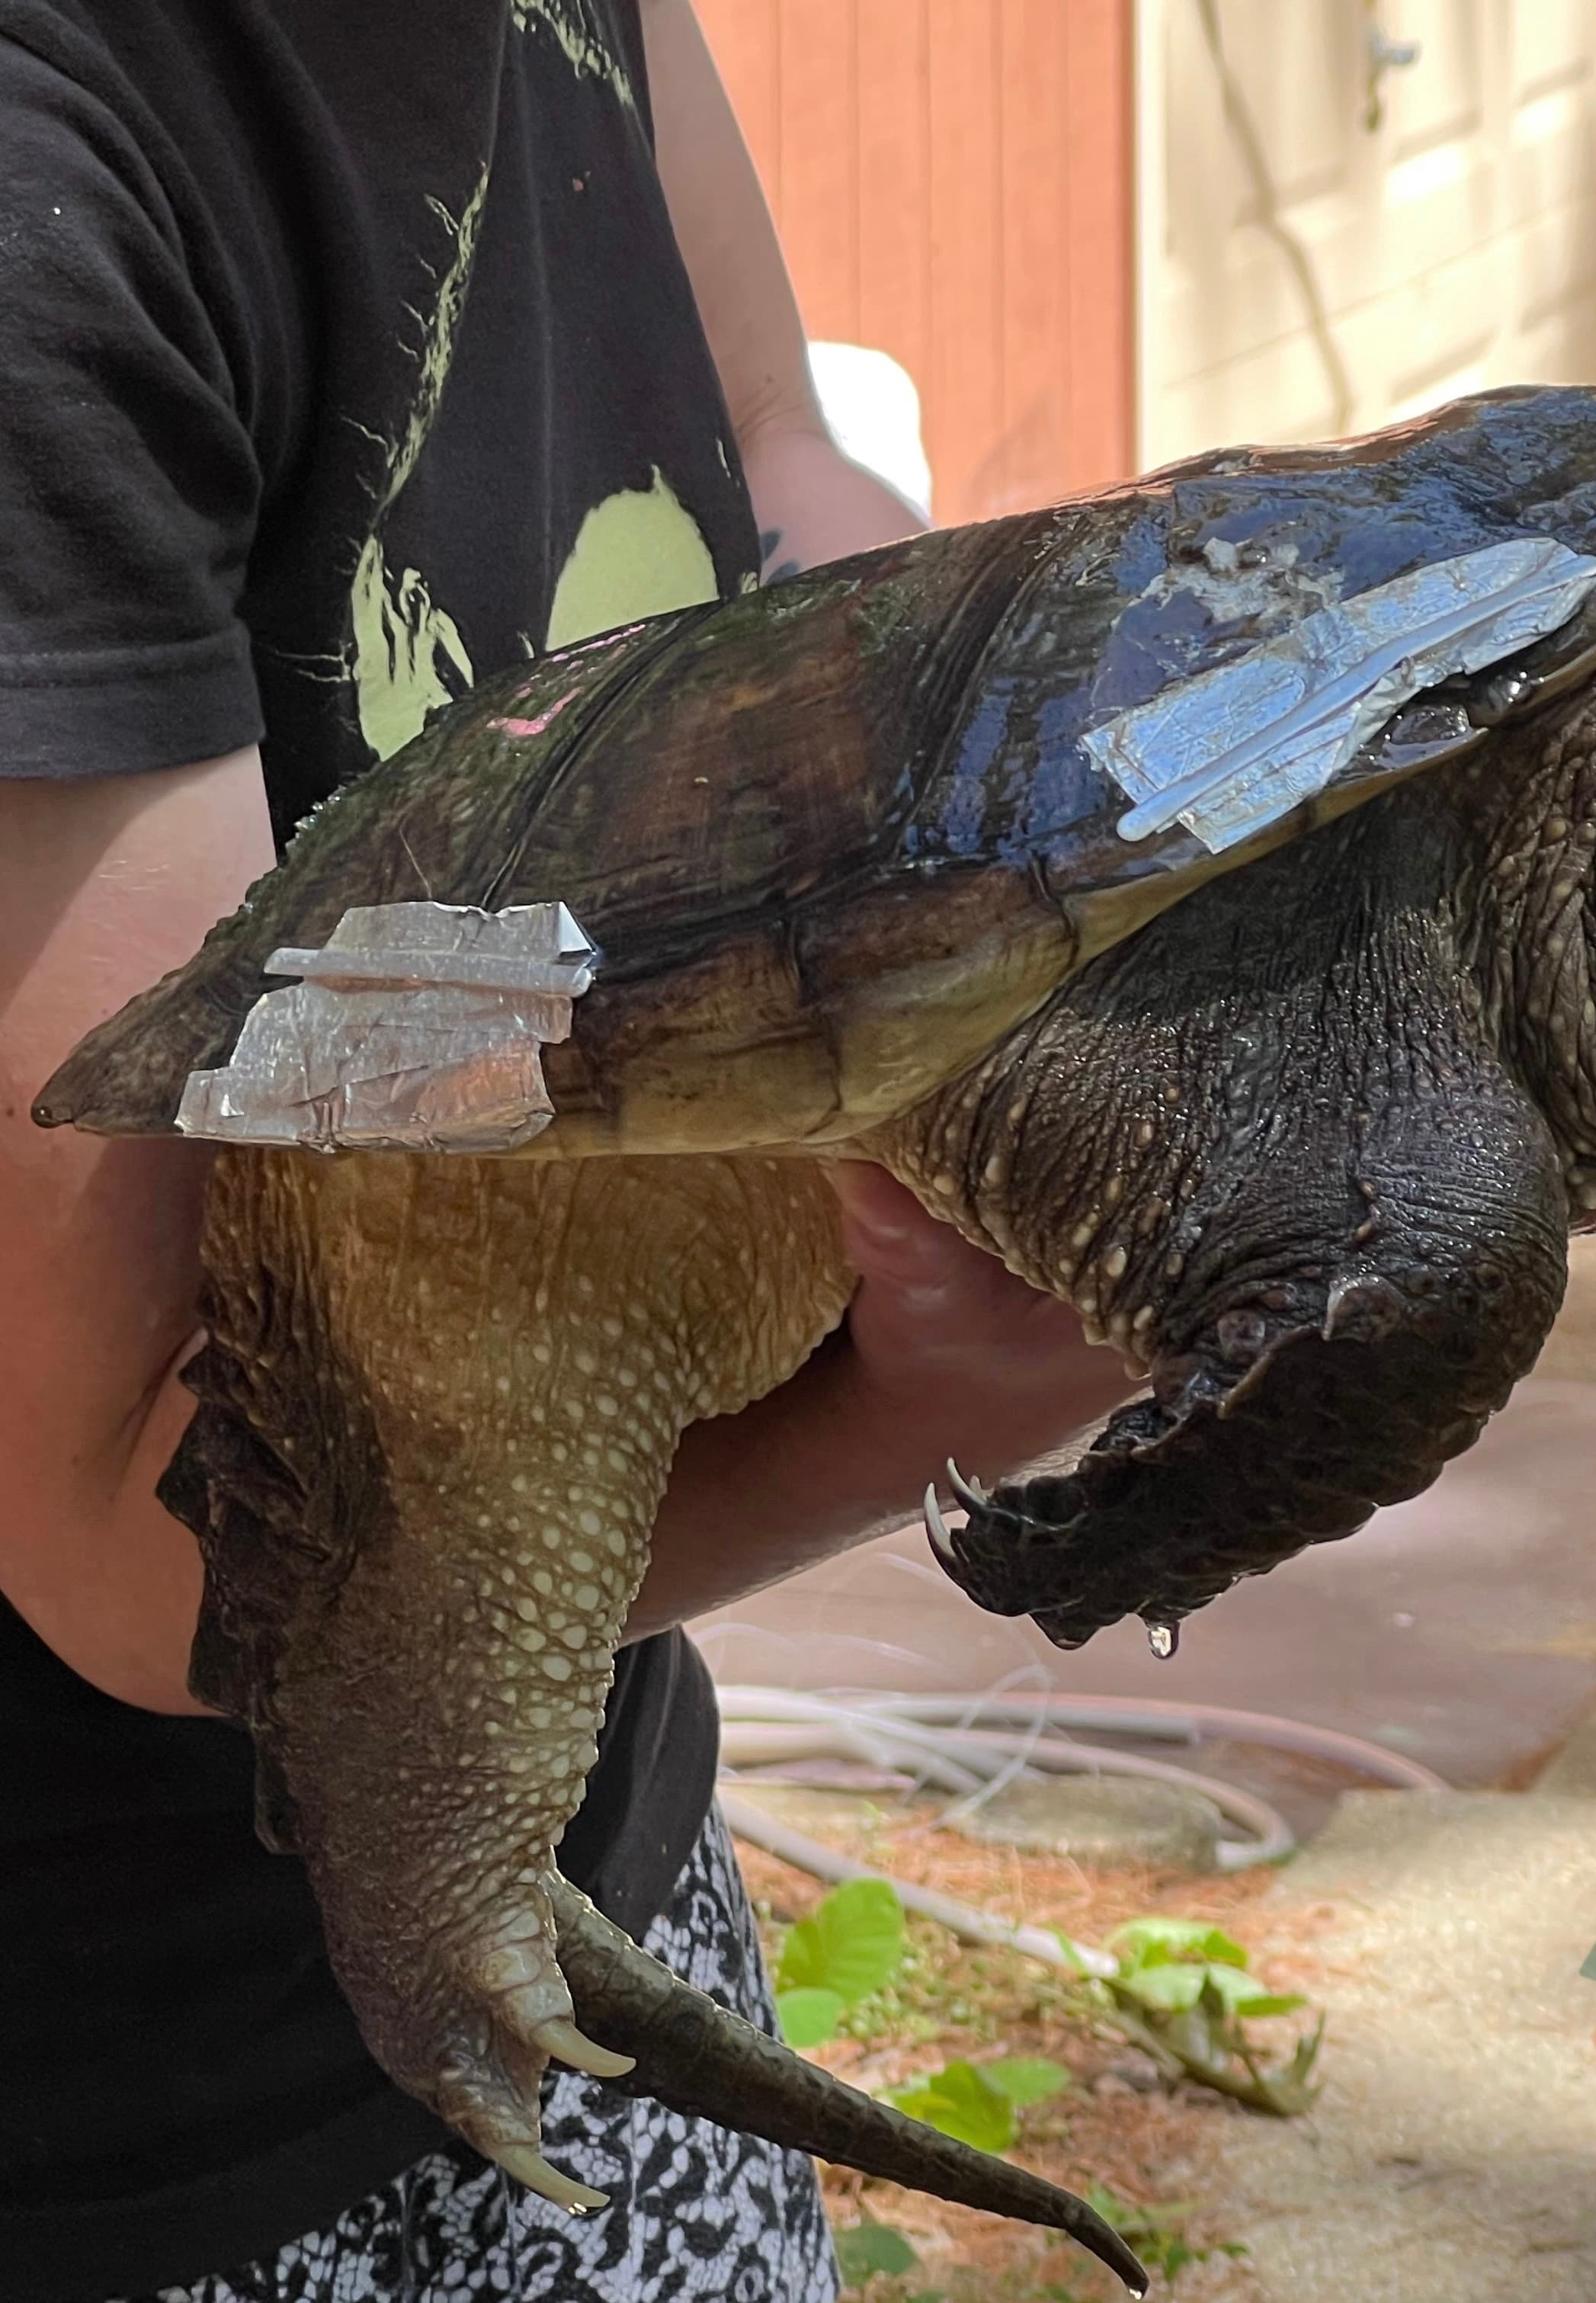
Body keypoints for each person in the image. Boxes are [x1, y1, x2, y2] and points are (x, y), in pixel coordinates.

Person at [0, 5, 1134, 2298]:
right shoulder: (49, 187)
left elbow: (794, 473)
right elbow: (146, 1540)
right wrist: (959, 1402)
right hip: (154, 2120)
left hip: (602, 1845)